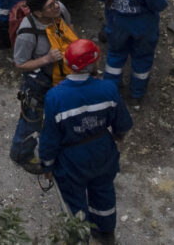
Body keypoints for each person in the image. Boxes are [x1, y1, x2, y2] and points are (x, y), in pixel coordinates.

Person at [38, 39, 133, 241]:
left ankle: (80, 237)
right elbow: (123, 124)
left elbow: (50, 137)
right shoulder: (107, 89)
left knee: (74, 199)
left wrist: (47, 164)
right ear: (94, 64)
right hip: (102, 152)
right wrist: (116, 138)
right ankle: (106, 233)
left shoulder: (55, 97)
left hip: (72, 158)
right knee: (104, 193)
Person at [7, 0, 78, 172]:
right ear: (38, 13)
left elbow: (69, 27)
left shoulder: (60, 10)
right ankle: (21, 153)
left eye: (55, 1)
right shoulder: (28, 33)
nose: (56, 7)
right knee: (32, 120)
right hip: (40, 82)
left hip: (64, 76)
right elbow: (20, 63)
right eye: (50, 6)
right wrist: (46, 59)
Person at [99, 0, 168, 105]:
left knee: (115, 56)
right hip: (142, 27)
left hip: (116, 24)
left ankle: (111, 91)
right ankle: (137, 93)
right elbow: (158, 4)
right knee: (142, 58)